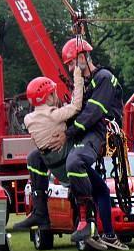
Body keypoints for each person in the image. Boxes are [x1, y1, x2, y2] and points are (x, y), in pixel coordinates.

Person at [61, 38, 125, 248]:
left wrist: (70, 132)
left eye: (71, 64)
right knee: (101, 190)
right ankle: (108, 234)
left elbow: (93, 112)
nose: (71, 69)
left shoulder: (104, 78)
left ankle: (86, 221)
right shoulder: (87, 85)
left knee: (75, 161)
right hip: (89, 132)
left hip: (102, 129)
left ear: (82, 59)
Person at [14, 66, 84, 232]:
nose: (56, 96)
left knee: (33, 158)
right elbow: (76, 106)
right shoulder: (54, 114)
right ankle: (79, 219)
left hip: (50, 162)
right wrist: (78, 78)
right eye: (53, 93)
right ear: (47, 96)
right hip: (65, 161)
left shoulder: (28, 119)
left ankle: (40, 213)